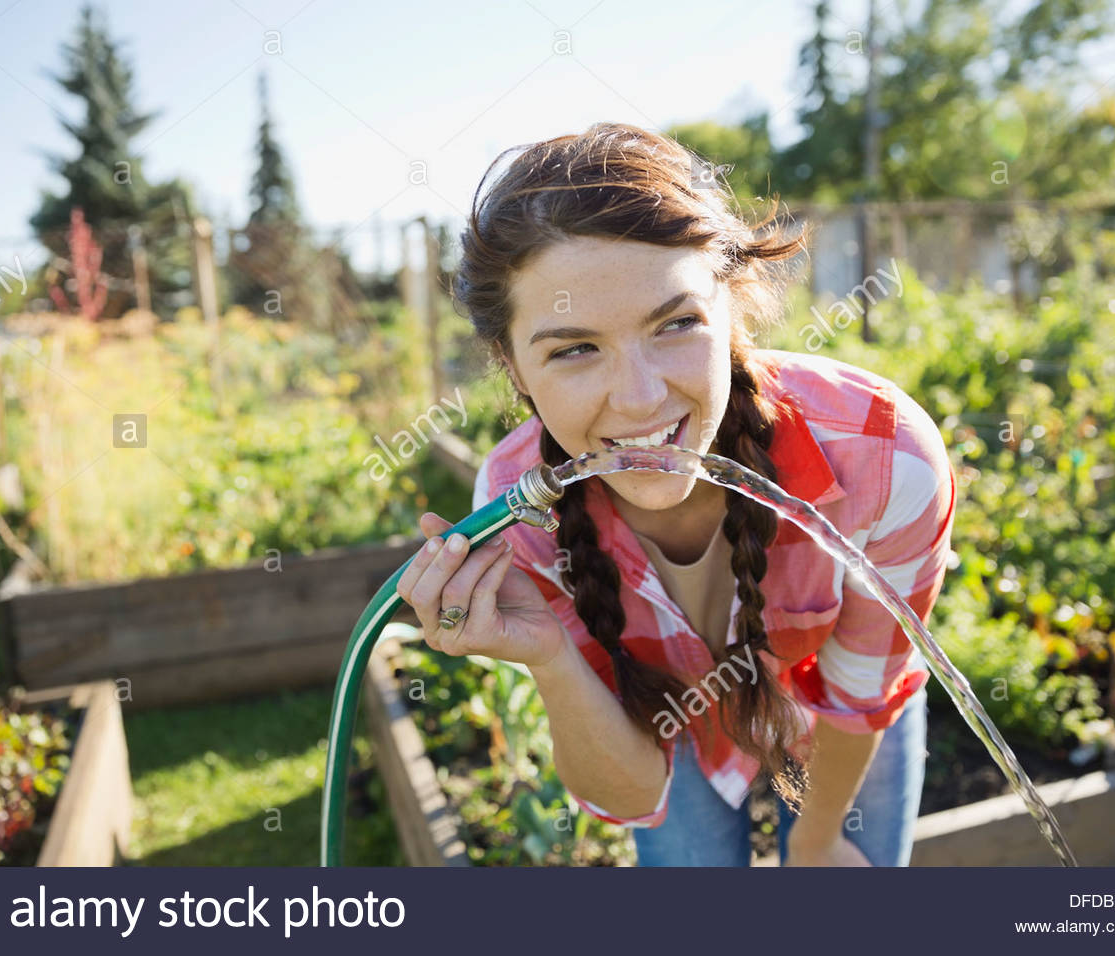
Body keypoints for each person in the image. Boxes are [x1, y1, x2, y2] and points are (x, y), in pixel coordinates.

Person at [395, 122, 956, 867]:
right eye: (574, 349)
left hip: (838, 706)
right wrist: (550, 658)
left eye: (677, 323)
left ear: (733, 306)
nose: (638, 399)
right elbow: (628, 795)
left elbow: (860, 691)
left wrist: (819, 841)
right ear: (513, 366)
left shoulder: (885, 458)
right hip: (667, 715)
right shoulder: (519, 511)